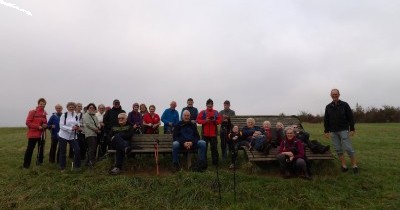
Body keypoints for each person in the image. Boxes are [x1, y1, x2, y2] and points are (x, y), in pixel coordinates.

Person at [324, 88, 358, 174]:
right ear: (331, 95)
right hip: (333, 131)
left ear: (339, 95)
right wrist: (326, 131)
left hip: (344, 129)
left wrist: (352, 128)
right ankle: (344, 165)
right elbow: (326, 119)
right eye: (333, 94)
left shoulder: (345, 105)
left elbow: (350, 117)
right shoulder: (328, 107)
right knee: (338, 149)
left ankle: (354, 165)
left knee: (349, 148)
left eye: (336, 94)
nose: (334, 96)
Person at [23, 98, 48, 168]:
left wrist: (45, 125)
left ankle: (39, 163)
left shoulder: (44, 113)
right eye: (41, 104)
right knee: (30, 149)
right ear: (38, 104)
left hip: (42, 134)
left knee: (41, 149)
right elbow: (28, 122)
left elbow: (45, 122)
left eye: (44, 104)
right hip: (33, 134)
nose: (42, 105)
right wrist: (38, 126)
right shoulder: (32, 112)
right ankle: (26, 165)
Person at [196, 99, 222, 166]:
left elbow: (219, 121)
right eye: (208, 104)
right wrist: (205, 120)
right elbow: (198, 120)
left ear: (212, 105)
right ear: (206, 105)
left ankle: (215, 164)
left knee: (214, 149)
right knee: (204, 149)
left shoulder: (216, 112)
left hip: (213, 134)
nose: (210, 105)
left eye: (211, 104)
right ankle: (204, 163)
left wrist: (214, 121)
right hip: (205, 134)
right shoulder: (203, 112)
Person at [58, 102, 81, 172]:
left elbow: (78, 123)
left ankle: (77, 166)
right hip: (63, 136)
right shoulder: (64, 115)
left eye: (73, 107)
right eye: (70, 107)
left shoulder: (76, 115)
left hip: (73, 136)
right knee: (63, 152)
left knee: (77, 150)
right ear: (67, 107)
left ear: (75, 108)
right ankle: (62, 167)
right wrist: (71, 128)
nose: (71, 108)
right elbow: (61, 126)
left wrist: (77, 126)